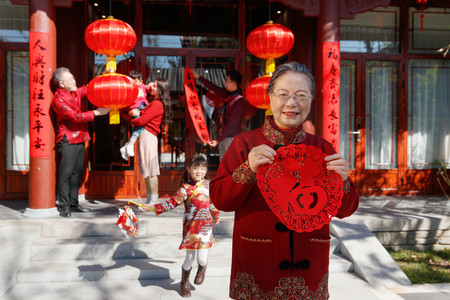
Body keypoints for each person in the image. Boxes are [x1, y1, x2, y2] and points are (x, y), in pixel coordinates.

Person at [210, 62, 360, 299]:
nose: (292, 103)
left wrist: (343, 181)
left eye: (301, 95)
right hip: (257, 265)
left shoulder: (322, 148)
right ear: (270, 97)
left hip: (309, 268)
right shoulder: (245, 144)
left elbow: (345, 210)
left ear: (311, 99)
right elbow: (220, 199)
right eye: (283, 94)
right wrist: (248, 168)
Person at [143, 154, 220, 297]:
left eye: (202, 168)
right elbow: (170, 203)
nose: (199, 171)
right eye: (195, 168)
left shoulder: (210, 185)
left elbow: (212, 204)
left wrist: (216, 215)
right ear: (189, 169)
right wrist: (153, 208)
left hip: (205, 227)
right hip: (190, 228)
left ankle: (202, 268)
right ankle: (184, 283)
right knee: (190, 258)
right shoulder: (185, 188)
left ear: (206, 170)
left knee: (202, 258)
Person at [52, 67, 111, 218]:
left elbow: (87, 88)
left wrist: (102, 76)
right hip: (67, 139)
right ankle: (64, 205)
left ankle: (73, 203)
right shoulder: (58, 100)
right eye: (70, 79)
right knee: (66, 173)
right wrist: (96, 113)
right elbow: (75, 117)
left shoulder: (73, 92)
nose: (74, 81)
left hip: (80, 137)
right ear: (61, 84)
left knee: (77, 172)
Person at [131, 78, 171, 205]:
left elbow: (141, 121)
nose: (151, 86)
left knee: (151, 169)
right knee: (147, 168)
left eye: (155, 85)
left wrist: (133, 119)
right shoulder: (154, 102)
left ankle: (154, 199)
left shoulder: (156, 104)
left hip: (148, 135)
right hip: (146, 135)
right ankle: (150, 199)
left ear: (160, 89)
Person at [191, 69, 245, 160]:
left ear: (233, 83)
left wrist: (218, 140)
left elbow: (232, 124)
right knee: (223, 165)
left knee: (230, 165)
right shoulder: (228, 95)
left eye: (227, 80)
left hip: (232, 138)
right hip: (224, 136)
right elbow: (213, 87)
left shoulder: (239, 100)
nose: (225, 82)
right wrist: (199, 77)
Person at [120, 70, 151, 161]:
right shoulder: (128, 89)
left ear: (141, 81)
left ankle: (129, 144)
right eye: (132, 81)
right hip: (135, 109)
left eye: (136, 81)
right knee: (140, 125)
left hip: (144, 107)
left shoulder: (143, 87)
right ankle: (129, 144)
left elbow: (150, 87)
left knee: (141, 125)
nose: (134, 83)